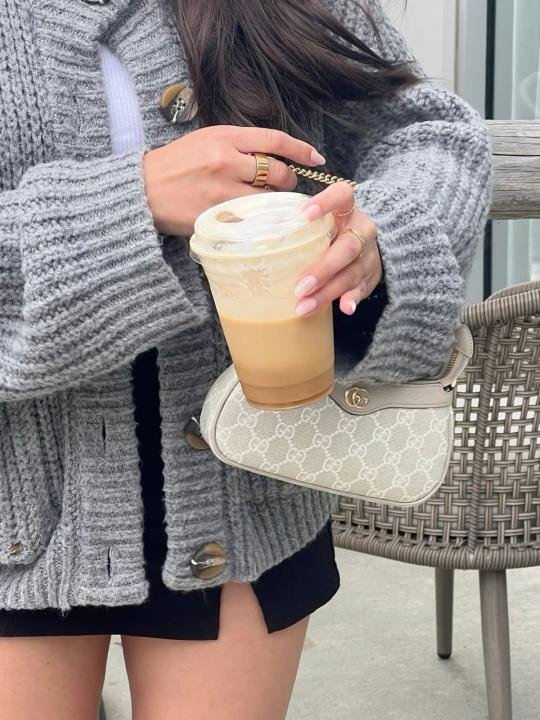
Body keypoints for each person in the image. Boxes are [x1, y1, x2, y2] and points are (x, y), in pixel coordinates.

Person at [0, 0, 492, 718]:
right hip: (15, 500)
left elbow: (426, 134)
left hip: (245, 494)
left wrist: (383, 233)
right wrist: (130, 202)